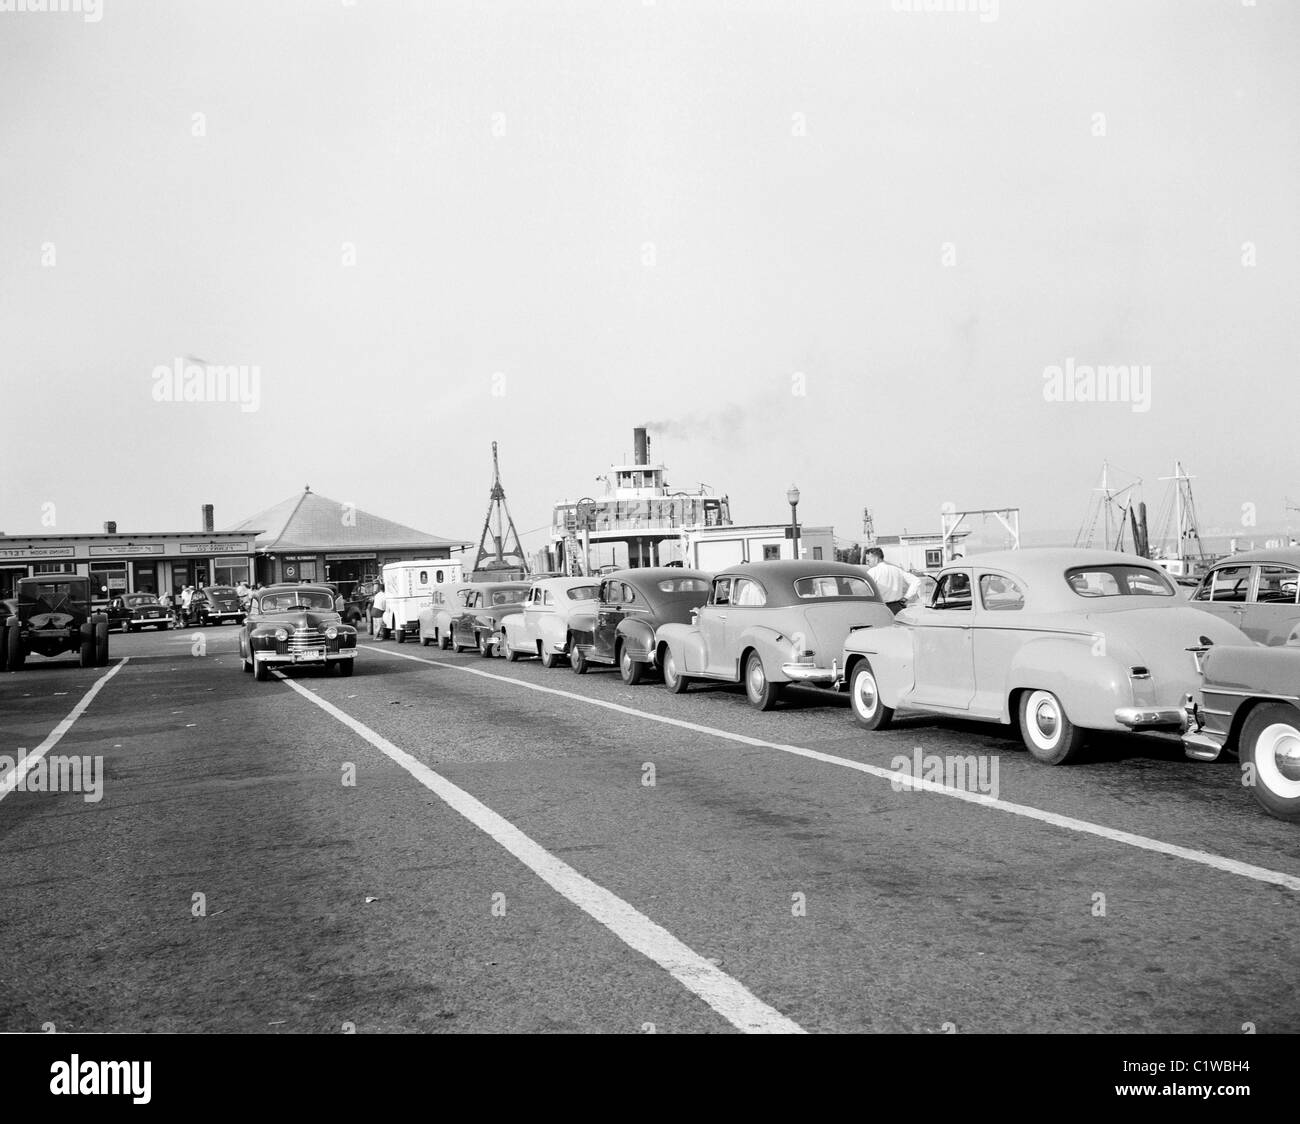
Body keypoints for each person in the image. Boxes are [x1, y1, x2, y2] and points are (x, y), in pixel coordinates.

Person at [864, 548, 921, 615]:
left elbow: (863, 589)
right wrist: (906, 597)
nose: (867, 563)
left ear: (876, 558)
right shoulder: (897, 570)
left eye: (868, 560)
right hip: (898, 608)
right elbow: (916, 581)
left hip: (881, 608)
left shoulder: (873, 571)